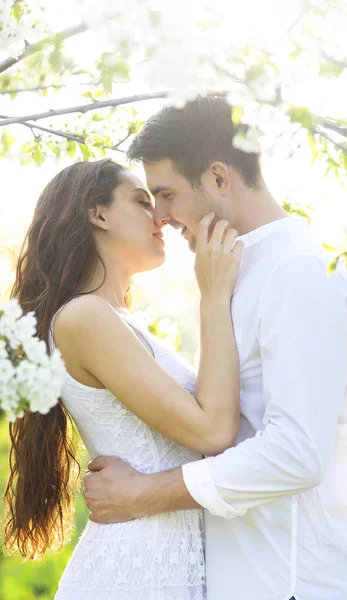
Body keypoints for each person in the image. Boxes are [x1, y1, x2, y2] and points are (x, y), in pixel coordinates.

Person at [84, 97, 347, 600]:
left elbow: (296, 453)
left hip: (291, 581)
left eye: (166, 194)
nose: (159, 216)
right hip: (247, 577)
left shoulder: (298, 274)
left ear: (219, 178)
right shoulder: (232, 270)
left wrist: (144, 494)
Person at [4, 158, 244, 600]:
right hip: (135, 575)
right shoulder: (83, 317)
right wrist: (213, 295)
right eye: (141, 202)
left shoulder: (116, 320)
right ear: (97, 215)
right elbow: (212, 431)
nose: (161, 217)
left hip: (164, 566)